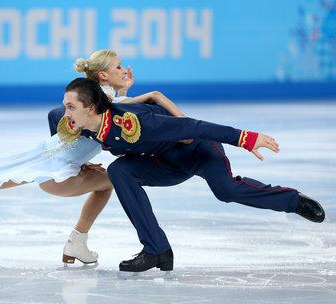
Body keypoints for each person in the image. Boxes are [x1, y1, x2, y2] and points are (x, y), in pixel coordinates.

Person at [0, 50, 186, 266]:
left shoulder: (91, 97)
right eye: (119, 66)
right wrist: (175, 116)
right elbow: (145, 101)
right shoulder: (108, 102)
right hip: (60, 173)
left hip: (44, 154)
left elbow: (64, 113)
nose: (126, 68)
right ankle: (77, 240)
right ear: (102, 76)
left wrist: (80, 157)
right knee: (112, 181)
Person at [59, 77, 326, 273]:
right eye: (66, 106)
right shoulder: (84, 123)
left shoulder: (133, 123)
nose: (66, 113)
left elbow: (192, 126)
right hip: (166, 164)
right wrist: (80, 164)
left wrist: (245, 138)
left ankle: (292, 200)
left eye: (71, 107)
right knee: (120, 171)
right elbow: (53, 118)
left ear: (91, 108)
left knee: (226, 191)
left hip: (197, 150)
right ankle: (157, 249)